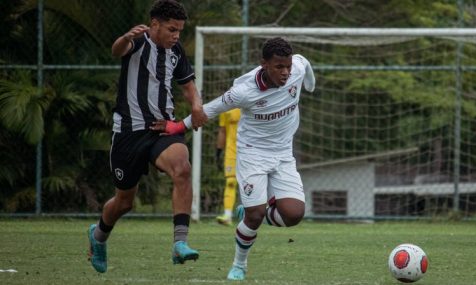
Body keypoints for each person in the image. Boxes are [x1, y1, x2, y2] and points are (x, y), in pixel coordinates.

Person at [154, 37, 315, 281]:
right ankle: (239, 265)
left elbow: (305, 64)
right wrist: (178, 127)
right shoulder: (244, 91)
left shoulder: (297, 69)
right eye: (279, 67)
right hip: (252, 154)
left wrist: (310, 84)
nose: (285, 72)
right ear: (264, 64)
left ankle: (254, 208)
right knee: (255, 215)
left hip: (283, 154)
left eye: (288, 66)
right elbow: (209, 109)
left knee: (294, 215)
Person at [87, 0, 207, 273]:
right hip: (129, 133)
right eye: (171, 29)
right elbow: (118, 50)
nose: (176, 35)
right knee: (124, 202)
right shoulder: (138, 42)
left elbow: (189, 87)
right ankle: (99, 237)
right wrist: (126, 37)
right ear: (154, 24)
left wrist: (197, 106)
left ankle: (180, 243)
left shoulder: (175, 51)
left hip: (162, 129)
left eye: (179, 30)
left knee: (182, 168)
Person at [215, 109, 241, 226]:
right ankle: (227, 215)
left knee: (253, 183)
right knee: (230, 182)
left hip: (251, 150)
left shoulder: (253, 99)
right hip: (232, 152)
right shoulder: (226, 105)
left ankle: (257, 215)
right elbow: (222, 131)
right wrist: (218, 151)